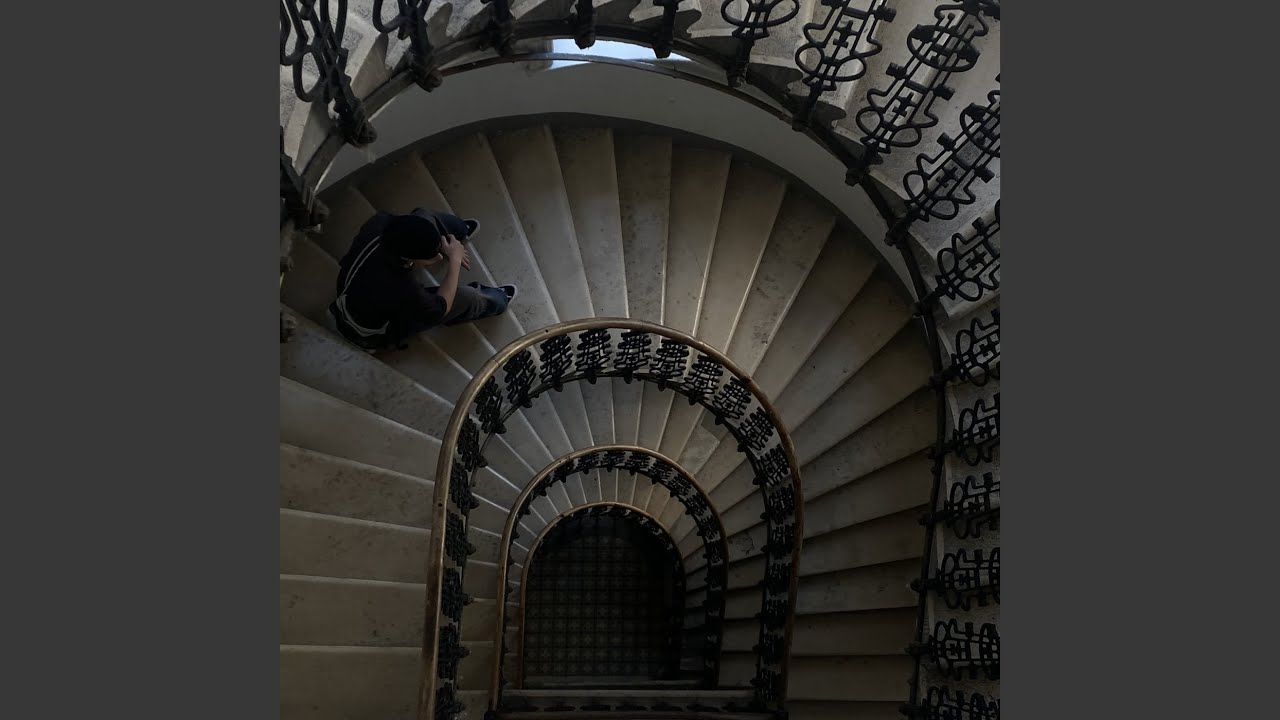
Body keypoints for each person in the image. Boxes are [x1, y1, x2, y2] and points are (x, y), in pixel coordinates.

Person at [328, 207, 518, 352]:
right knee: (467, 297)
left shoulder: (380, 222)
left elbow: (412, 226)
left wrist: (440, 246)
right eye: (432, 256)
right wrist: (455, 259)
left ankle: (459, 230)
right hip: (372, 330)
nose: (439, 257)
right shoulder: (401, 288)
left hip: (351, 287)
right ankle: (499, 300)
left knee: (423, 216)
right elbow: (440, 308)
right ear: (408, 259)